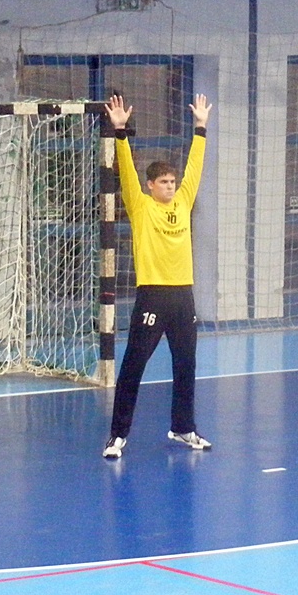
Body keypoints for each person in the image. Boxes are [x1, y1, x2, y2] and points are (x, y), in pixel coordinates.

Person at [102, 92, 214, 460]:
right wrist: (120, 132)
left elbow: (195, 168)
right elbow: (126, 171)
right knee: (134, 364)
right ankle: (117, 436)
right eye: (164, 182)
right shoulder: (140, 206)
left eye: (172, 182)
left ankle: (183, 427)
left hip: (183, 296)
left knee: (186, 363)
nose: (170, 186)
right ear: (151, 185)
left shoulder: (183, 201)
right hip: (153, 295)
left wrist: (200, 127)